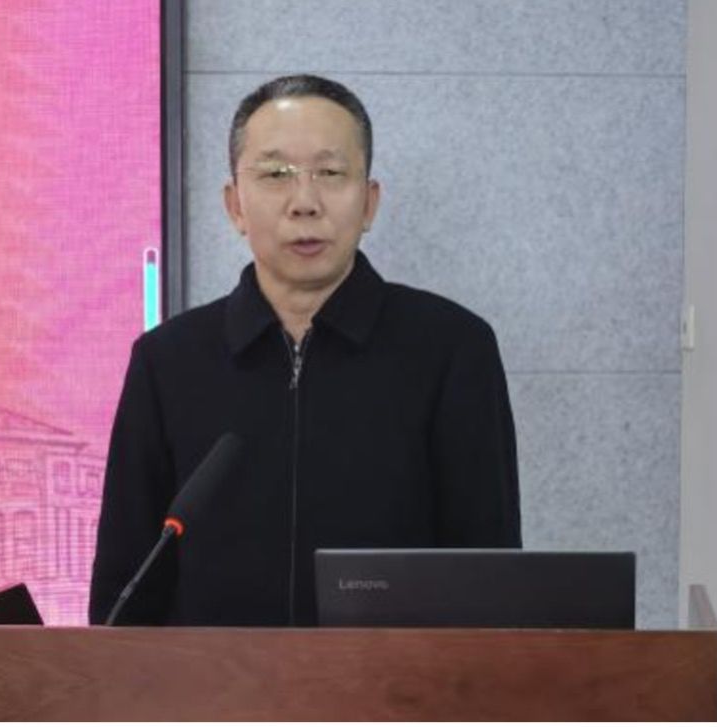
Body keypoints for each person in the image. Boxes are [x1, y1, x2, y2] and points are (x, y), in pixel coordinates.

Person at [88, 74, 520, 627]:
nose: (305, 203)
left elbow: (491, 580)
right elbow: (123, 591)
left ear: (369, 203)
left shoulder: (452, 349)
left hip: (394, 681)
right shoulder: (167, 361)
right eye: (275, 175)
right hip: (213, 683)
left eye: (331, 173)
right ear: (235, 205)